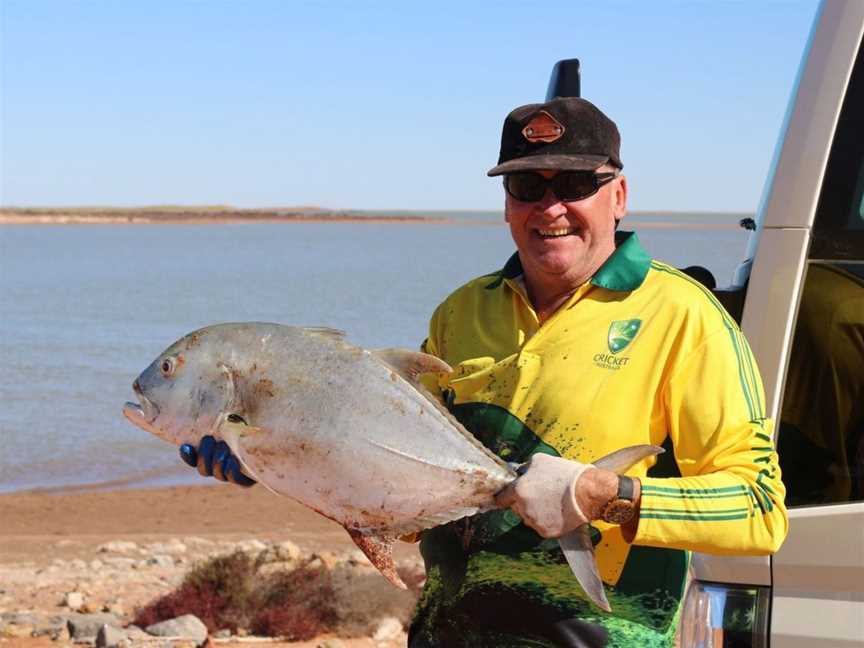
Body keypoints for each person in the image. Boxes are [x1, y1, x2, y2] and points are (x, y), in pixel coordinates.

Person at [182, 96, 789, 647]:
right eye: (527, 185)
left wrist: (607, 495)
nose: (550, 207)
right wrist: (282, 460)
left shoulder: (686, 318)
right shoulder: (462, 312)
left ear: (619, 195)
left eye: (576, 183)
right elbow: (410, 489)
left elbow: (760, 511)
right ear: (507, 203)